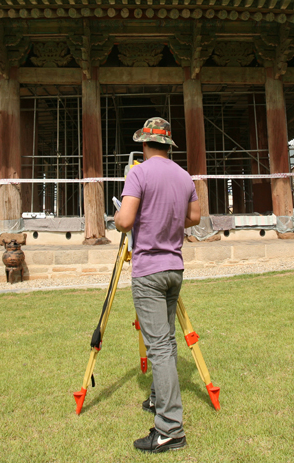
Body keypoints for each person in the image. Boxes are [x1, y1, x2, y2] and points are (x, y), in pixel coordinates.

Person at [115, 117, 201, 454]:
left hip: (149, 270)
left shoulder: (138, 173)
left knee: (159, 347)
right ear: (168, 145)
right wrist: (168, 217)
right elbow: (194, 217)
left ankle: (170, 429)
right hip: (174, 268)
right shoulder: (184, 176)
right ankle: (156, 397)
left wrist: (121, 217)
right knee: (167, 340)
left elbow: (125, 220)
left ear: (144, 143)